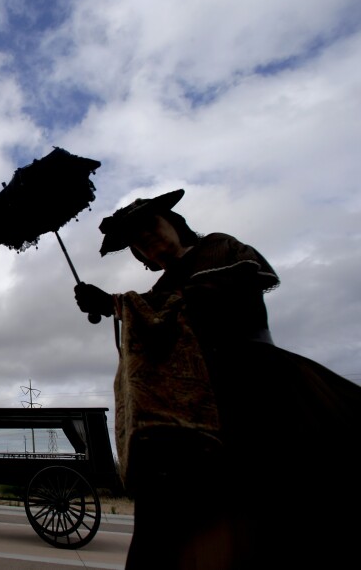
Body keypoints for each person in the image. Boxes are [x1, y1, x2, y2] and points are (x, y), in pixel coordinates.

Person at [74, 189, 361, 570]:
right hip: (189, 401)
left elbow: (227, 290)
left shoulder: (219, 247)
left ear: (173, 223)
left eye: (150, 228)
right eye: (137, 242)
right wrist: (108, 305)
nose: (147, 241)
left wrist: (118, 304)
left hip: (256, 382)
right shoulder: (158, 289)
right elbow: (156, 324)